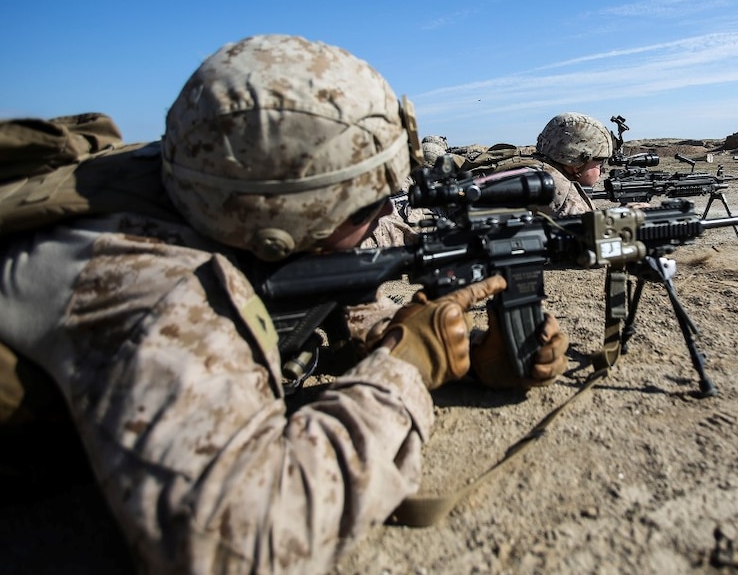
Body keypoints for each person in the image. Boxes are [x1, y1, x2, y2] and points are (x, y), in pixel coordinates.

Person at [0, 34, 567, 573]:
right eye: (365, 209)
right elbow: (236, 548)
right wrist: (404, 376)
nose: (381, 223)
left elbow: (318, 300)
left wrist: (457, 350)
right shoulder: (157, 283)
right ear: (282, 225)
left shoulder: (212, 176)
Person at [460, 112, 612, 217]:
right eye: (599, 163)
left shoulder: (530, 161)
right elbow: (593, 237)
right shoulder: (552, 182)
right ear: (576, 163)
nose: (602, 170)